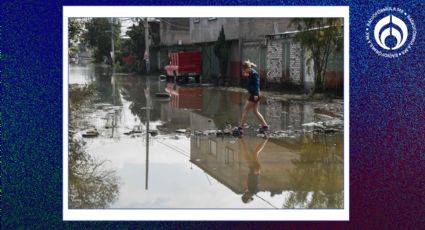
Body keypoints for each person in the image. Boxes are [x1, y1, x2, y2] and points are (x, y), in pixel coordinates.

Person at [235, 60, 269, 136]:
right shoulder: (251, 72)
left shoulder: (254, 74)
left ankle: (240, 128)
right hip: (256, 94)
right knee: (255, 111)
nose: (244, 71)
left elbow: (257, 84)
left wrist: (256, 94)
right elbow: (250, 79)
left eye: (244, 69)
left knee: (245, 110)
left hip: (255, 94)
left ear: (248, 68)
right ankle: (265, 126)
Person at [239, 137, 268, 203]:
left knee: (250, 154)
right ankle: (265, 139)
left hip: (253, 171)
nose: (245, 194)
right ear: (247, 196)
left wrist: (247, 188)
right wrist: (250, 193)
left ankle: (241, 138)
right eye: (245, 195)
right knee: (253, 154)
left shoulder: (250, 191)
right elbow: (256, 183)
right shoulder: (253, 192)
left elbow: (248, 183)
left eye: (244, 195)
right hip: (255, 171)